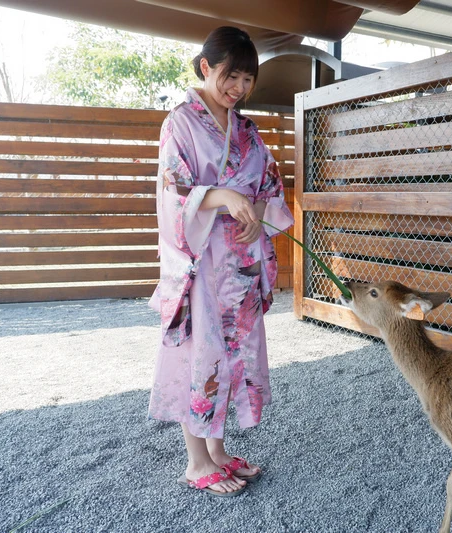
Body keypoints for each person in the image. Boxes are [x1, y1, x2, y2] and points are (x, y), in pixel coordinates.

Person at [148, 26, 294, 497]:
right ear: (206, 67)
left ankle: (217, 452)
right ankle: (195, 462)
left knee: (232, 356)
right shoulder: (181, 123)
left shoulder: (247, 130)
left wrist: (258, 219)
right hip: (203, 261)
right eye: (231, 76)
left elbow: (268, 184)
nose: (239, 88)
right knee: (202, 354)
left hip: (240, 263)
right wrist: (225, 195)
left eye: (248, 79)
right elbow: (175, 190)